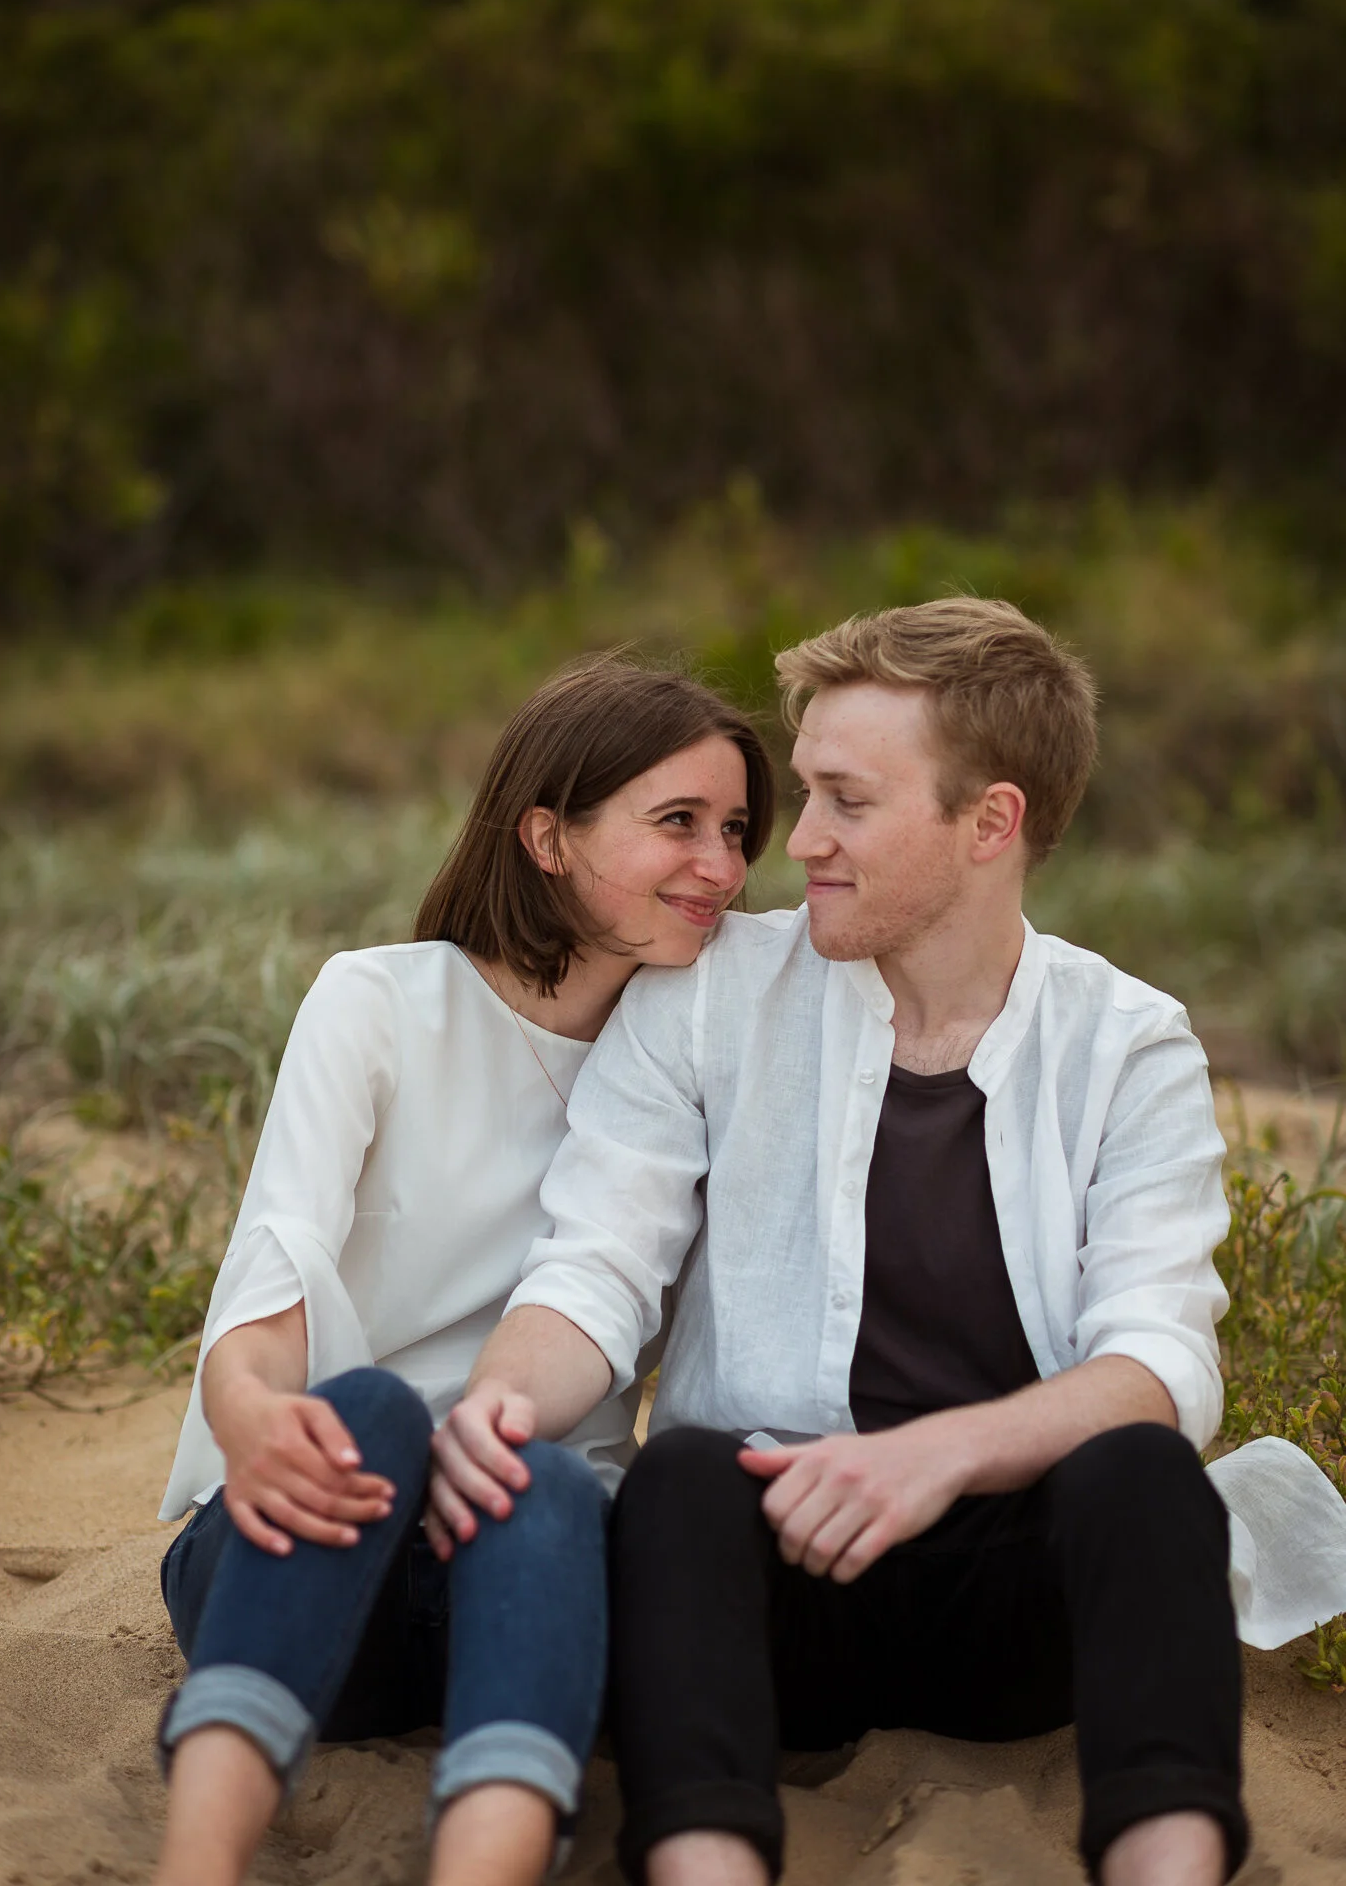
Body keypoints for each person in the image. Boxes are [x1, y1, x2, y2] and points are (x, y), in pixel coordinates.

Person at [429, 598, 1266, 1886]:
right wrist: (496, 1407)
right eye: (802, 791)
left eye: (844, 800)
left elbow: (1158, 1358)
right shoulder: (705, 997)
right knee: (684, 1477)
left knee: (1145, 1472)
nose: (794, 838)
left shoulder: (1126, 1042)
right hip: (773, 1589)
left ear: (988, 821)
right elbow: (594, 1265)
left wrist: (930, 1457)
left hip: (1010, 1599)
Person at [151, 656, 776, 1886]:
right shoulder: (380, 1000)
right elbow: (274, 1269)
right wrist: (251, 1417)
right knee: (376, 1409)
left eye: (738, 828)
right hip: (311, 1530)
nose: (722, 864)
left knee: (547, 1483)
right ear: (546, 832)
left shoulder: (706, 1040)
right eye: (677, 822)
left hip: (522, 1581)